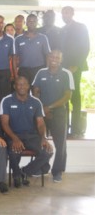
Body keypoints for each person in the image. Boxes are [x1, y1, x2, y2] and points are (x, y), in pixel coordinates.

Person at [0, 76, 53, 188]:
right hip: (13, 135)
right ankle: (16, 175)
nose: (22, 86)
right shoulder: (7, 100)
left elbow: (40, 123)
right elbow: (4, 123)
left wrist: (43, 138)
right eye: (19, 84)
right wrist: (15, 139)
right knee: (14, 151)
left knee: (48, 151)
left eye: (24, 84)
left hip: (31, 136)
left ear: (29, 86)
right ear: (14, 86)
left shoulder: (36, 102)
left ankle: (24, 172)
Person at [32, 50, 74, 182]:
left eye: (57, 57)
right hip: (42, 111)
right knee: (40, 140)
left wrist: (49, 107)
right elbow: (35, 91)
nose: (54, 59)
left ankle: (57, 171)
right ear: (48, 58)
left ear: (61, 60)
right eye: (52, 56)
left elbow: (67, 96)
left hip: (59, 112)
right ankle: (42, 168)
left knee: (60, 143)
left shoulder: (66, 74)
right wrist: (42, 108)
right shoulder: (41, 72)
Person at [61, 6, 90, 138]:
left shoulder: (81, 27)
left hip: (75, 68)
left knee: (75, 97)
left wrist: (76, 66)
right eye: (63, 13)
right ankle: (65, 128)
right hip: (63, 68)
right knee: (64, 97)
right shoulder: (62, 30)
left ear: (72, 13)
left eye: (67, 12)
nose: (65, 15)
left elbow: (85, 47)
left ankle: (76, 129)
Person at [13, 14, 51, 84]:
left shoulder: (43, 37)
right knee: (23, 92)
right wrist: (15, 75)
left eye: (34, 21)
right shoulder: (18, 39)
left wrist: (47, 71)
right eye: (29, 21)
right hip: (23, 70)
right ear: (26, 23)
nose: (32, 23)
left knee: (37, 92)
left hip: (39, 69)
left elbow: (48, 55)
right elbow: (14, 58)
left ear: (37, 23)